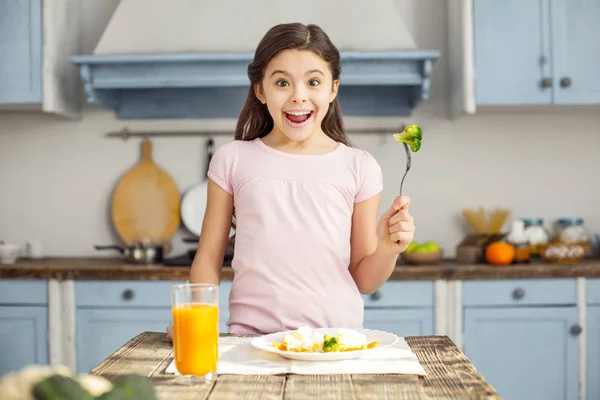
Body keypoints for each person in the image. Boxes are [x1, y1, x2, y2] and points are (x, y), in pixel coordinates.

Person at [168, 22, 414, 338]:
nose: (299, 96)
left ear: (333, 89)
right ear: (261, 90)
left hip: (335, 342)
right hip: (250, 340)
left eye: (313, 82)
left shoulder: (359, 166)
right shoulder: (232, 159)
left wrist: (387, 248)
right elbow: (207, 258)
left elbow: (364, 280)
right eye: (282, 83)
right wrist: (197, 321)